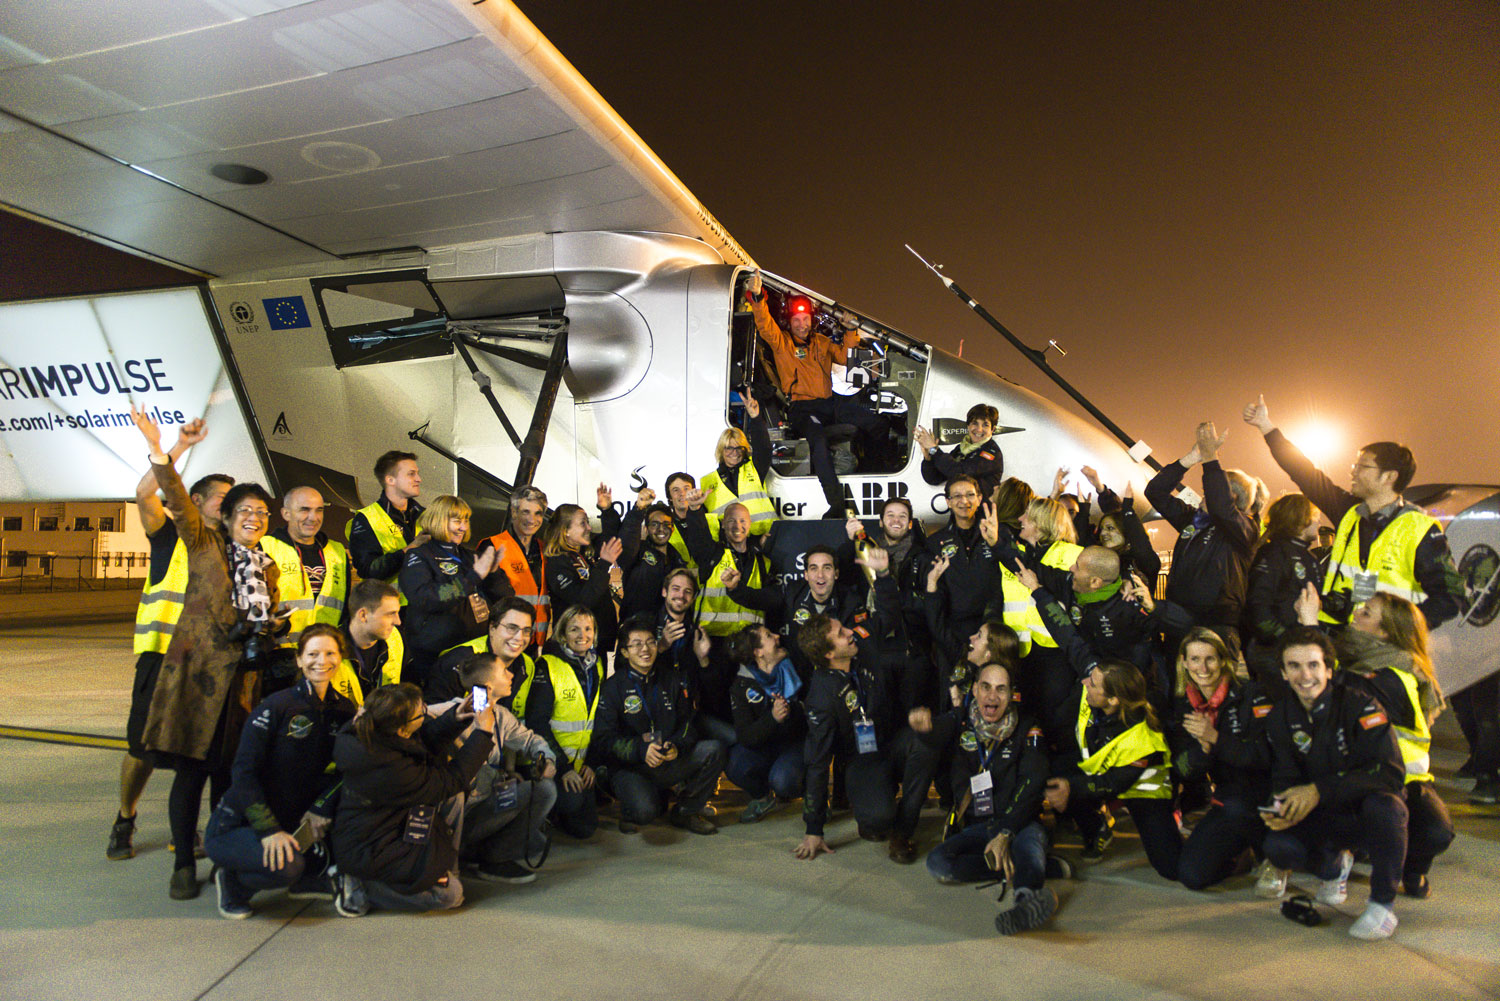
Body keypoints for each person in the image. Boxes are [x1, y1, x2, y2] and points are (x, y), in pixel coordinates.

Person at [1241, 395, 1479, 798]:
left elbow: (1450, 597)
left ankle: (1391, 808)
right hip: (1340, 642)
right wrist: (1268, 428)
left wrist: (1397, 627)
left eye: (1361, 465)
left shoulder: (1421, 529)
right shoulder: (1351, 513)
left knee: (1381, 736)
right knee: (1337, 731)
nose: (1352, 471)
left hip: (1386, 653)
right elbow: (1305, 474)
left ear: (1388, 476)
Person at [129, 405, 284, 901]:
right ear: (227, 516)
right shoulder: (203, 545)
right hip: (195, 681)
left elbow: (262, 623)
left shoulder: (269, 569)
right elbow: (172, 495)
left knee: (227, 777)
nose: (255, 519)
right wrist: (162, 448)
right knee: (191, 776)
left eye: (262, 513)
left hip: (241, 685)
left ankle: (218, 853)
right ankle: (180, 861)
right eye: (246, 511)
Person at [109, 417, 228, 862]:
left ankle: (185, 830)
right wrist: (173, 445)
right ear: (195, 500)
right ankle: (125, 816)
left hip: (205, 663)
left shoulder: (229, 547)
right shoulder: (169, 534)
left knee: (196, 751)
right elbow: (144, 494)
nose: (228, 506)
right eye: (221, 499)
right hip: (161, 655)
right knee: (141, 747)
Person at [1297, 588, 1453, 898]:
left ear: (1384, 632)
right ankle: (1354, 850)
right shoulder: (1368, 659)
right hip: (1368, 778)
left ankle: (1412, 868)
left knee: (1434, 831)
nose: (1357, 613)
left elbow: (1334, 687)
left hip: (1404, 782)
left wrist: (1310, 624)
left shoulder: (1392, 676)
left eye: (1366, 613)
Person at [1259, 626, 1409, 940]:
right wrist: (1277, 808)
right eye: (1294, 666)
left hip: (1366, 814)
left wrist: (1318, 790)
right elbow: (1284, 777)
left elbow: (1390, 773)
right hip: (1326, 814)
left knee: (1387, 806)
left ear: (1329, 669)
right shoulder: (1280, 717)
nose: (1305, 675)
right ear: (1284, 673)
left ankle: (1382, 905)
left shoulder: (1360, 705)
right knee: (1277, 845)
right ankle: (1333, 867)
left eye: (1313, 665)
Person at [796, 549, 939, 864]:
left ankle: (904, 830)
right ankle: (882, 811)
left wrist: (884, 576)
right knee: (876, 822)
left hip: (892, 738)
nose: (850, 632)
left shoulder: (863, 643)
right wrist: (814, 828)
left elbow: (888, 614)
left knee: (925, 743)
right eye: (841, 634)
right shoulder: (821, 699)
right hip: (863, 762)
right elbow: (818, 765)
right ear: (829, 655)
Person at [205, 624, 357, 918]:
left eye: (330, 653)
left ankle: (304, 877)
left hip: (291, 821)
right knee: (288, 867)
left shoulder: (344, 710)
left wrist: (320, 806)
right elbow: (243, 773)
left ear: (340, 658)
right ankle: (233, 881)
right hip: (239, 824)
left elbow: (347, 769)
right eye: (312, 654)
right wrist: (268, 831)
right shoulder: (277, 706)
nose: (321, 661)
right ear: (299, 660)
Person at [911, 662, 1059, 936]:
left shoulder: (1029, 727)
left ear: (1011, 694)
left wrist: (1007, 832)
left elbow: (1033, 783)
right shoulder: (961, 721)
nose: (993, 697)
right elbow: (937, 731)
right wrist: (925, 728)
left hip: (1019, 823)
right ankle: (1039, 867)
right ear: (976, 690)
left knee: (1028, 846)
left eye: (1001, 689)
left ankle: (1025, 903)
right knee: (938, 863)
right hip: (978, 825)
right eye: (986, 687)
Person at [329, 683, 495, 915]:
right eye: (422, 712)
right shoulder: (390, 769)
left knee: (452, 799)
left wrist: (456, 717)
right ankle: (360, 887)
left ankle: (443, 871)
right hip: (372, 849)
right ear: (402, 729)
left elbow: (420, 744)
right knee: (450, 896)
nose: (426, 710)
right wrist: (484, 732)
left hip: (385, 828)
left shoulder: (374, 737)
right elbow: (450, 780)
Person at [745, 270, 883, 517]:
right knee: (817, 440)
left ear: (811, 320)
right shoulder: (782, 343)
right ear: (790, 323)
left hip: (830, 404)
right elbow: (765, 326)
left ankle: (876, 471)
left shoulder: (821, 341)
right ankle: (836, 502)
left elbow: (844, 356)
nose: (802, 324)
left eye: (805, 319)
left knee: (876, 424)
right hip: (802, 408)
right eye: (797, 320)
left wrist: (851, 331)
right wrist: (757, 297)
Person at [1044, 660, 1181, 880]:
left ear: (1113, 699)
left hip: (1141, 792)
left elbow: (1112, 783)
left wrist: (1071, 787)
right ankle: (1095, 825)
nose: (1084, 682)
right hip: (1102, 774)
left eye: (1093, 683)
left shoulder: (1142, 737)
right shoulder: (1090, 698)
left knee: (1172, 868)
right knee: (1053, 769)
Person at [594, 615, 726, 835]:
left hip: (667, 760)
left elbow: (688, 723)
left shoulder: (671, 679)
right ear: (625, 652)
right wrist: (640, 750)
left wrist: (676, 746)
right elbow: (604, 740)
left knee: (714, 749)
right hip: (631, 767)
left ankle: (685, 811)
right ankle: (632, 805)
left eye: (650, 642)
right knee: (645, 812)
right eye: (636, 644)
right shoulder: (612, 687)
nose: (645, 649)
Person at [1145, 421, 1264, 661]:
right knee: (1179, 689)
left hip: (1216, 626)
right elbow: (1155, 492)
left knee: (1213, 687)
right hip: (1178, 618)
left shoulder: (1242, 529)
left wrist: (1211, 459)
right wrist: (1191, 459)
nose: (1202, 495)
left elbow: (1221, 508)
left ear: (1231, 497)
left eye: (1208, 490)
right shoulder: (1194, 521)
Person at [1165, 628, 1274, 892]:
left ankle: (1272, 851)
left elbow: (1266, 757)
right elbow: (1182, 768)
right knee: (1191, 875)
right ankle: (1241, 857)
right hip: (1228, 801)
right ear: (1183, 662)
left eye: (1210, 659)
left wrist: (1215, 738)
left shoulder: (1252, 694)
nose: (1203, 667)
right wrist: (1202, 749)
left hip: (1266, 795)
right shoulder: (1182, 704)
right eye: (1194, 659)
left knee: (1239, 805)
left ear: (1223, 661)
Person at [440, 653, 557, 884]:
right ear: (488, 685)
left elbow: (531, 740)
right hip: (460, 815)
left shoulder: (500, 715)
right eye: (504, 671)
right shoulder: (449, 711)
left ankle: (480, 852)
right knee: (544, 793)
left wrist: (547, 758)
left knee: (537, 839)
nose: (512, 674)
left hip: (487, 803)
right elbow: (420, 716)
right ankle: (493, 859)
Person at [398, 494, 510, 686]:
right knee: (445, 708)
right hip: (437, 656)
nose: (463, 527)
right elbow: (426, 598)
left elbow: (504, 598)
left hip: (476, 652)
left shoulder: (469, 556)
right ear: (438, 520)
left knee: (477, 706)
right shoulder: (420, 556)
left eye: (466, 520)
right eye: (457, 521)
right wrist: (471, 578)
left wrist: (492, 574)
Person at [524, 605, 606, 839]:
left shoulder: (596, 665)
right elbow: (537, 723)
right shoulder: (548, 665)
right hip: (556, 765)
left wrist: (591, 763)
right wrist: (564, 768)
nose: (583, 635)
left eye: (588, 629)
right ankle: (548, 809)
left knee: (586, 829)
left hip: (581, 765)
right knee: (571, 804)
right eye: (574, 629)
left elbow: (597, 719)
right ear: (562, 634)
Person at [259, 486, 350, 693]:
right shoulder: (265, 547)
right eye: (304, 510)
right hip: (280, 660)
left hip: (324, 661)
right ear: (285, 513)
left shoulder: (337, 552)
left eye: (319, 510)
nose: (313, 517)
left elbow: (343, 609)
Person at [1242, 493, 1322, 696]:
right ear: (1300, 519)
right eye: (1314, 516)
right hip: (1275, 653)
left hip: (1298, 647)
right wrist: (1284, 638)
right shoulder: (1274, 554)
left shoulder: (1307, 556)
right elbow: (1257, 605)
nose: (1318, 521)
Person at [726, 625, 806, 823]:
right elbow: (746, 736)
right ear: (758, 652)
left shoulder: (795, 667)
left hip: (795, 745)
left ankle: (812, 794)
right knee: (735, 763)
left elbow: (809, 725)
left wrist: (791, 712)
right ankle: (762, 797)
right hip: (765, 747)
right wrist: (772, 718)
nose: (778, 637)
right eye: (770, 636)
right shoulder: (742, 684)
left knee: (783, 781)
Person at [921, 476, 1000, 669]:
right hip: (951, 635)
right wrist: (941, 637)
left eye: (970, 495)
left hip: (991, 632)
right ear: (947, 502)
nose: (964, 501)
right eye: (956, 496)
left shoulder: (996, 535)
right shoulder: (934, 543)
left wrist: (996, 542)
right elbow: (933, 594)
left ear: (980, 498)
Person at [681, 493, 782, 639]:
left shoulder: (763, 561)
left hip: (750, 643)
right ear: (723, 524)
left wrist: (737, 590)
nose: (737, 526)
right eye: (731, 521)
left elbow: (773, 600)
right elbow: (698, 538)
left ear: (750, 524)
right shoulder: (712, 554)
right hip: (713, 641)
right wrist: (695, 509)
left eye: (743, 521)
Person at [543, 495, 625, 654]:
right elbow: (582, 601)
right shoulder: (558, 563)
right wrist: (604, 564)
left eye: (587, 522)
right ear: (565, 531)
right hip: (574, 646)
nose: (589, 527)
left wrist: (607, 510)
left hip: (596, 641)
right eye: (583, 523)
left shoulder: (586, 555)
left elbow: (611, 536)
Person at [427, 597, 539, 708]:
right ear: (492, 628)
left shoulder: (528, 665)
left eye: (526, 631)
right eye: (511, 628)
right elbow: (433, 717)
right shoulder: (459, 661)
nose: (519, 637)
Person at [478, 484, 551, 648]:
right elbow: (492, 592)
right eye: (525, 512)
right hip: (504, 639)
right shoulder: (492, 546)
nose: (531, 519)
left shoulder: (543, 549)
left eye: (537, 513)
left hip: (535, 640)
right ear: (514, 512)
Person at [347, 450, 425, 602]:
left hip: (425, 608)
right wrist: (408, 550)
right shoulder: (367, 518)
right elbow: (367, 570)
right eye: (411, 474)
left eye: (417, 473)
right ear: (390, 480)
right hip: (391, 612)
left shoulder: (426, 516)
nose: (419, 479)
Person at [700, 389, 776, 536]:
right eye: (729, 448)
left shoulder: (754, 468)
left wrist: (756, 418)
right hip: (731, 544)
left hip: (765, 538)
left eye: (739, 448)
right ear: (721, 450)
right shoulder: (706, 482)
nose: (734, 453)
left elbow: (764, 447)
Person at [782, 545, 861, 677]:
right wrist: (736, 589)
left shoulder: (851, 601)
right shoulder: (792, 593)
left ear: (836, 574)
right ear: (806, 575)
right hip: (801, 678)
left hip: (839, 678)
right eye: (814, 568)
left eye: (827, 568)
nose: (820, 575)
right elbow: (760, 598)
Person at [1079, 465, 1160, 589]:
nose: (1103, 533)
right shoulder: (1099, 558)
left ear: (1126, 531)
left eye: (1110, 528)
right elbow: (1082, 540)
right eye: (1101, 529)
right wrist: (1084, 511)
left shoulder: (1141, 562)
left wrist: (1127, 509)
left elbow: (1139, 542)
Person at [331, 580, 404, 706]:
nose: (398, 621)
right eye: (390, 614)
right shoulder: (328, 649)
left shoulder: (395, 638)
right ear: (363, 615)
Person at [915, 403, 1005, 502]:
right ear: (968, 426)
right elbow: (934, 478)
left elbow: (959, 473)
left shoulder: (991, 453)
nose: (979, 429)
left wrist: (934, 449)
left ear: (993, 429)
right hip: (959, 512)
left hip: (981, 514)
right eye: (975, 423)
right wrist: (928, 458)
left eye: (985, 425)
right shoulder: (961, 448)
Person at [618, 496, 685, 621]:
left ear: (673, 528)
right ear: (646, 529)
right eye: (655, 524)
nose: (661, 529)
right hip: (635, 629)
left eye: (666, 524)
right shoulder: (636, 551)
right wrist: (638, 509)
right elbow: (626, 545)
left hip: (665, 631)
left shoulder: (678, 559)